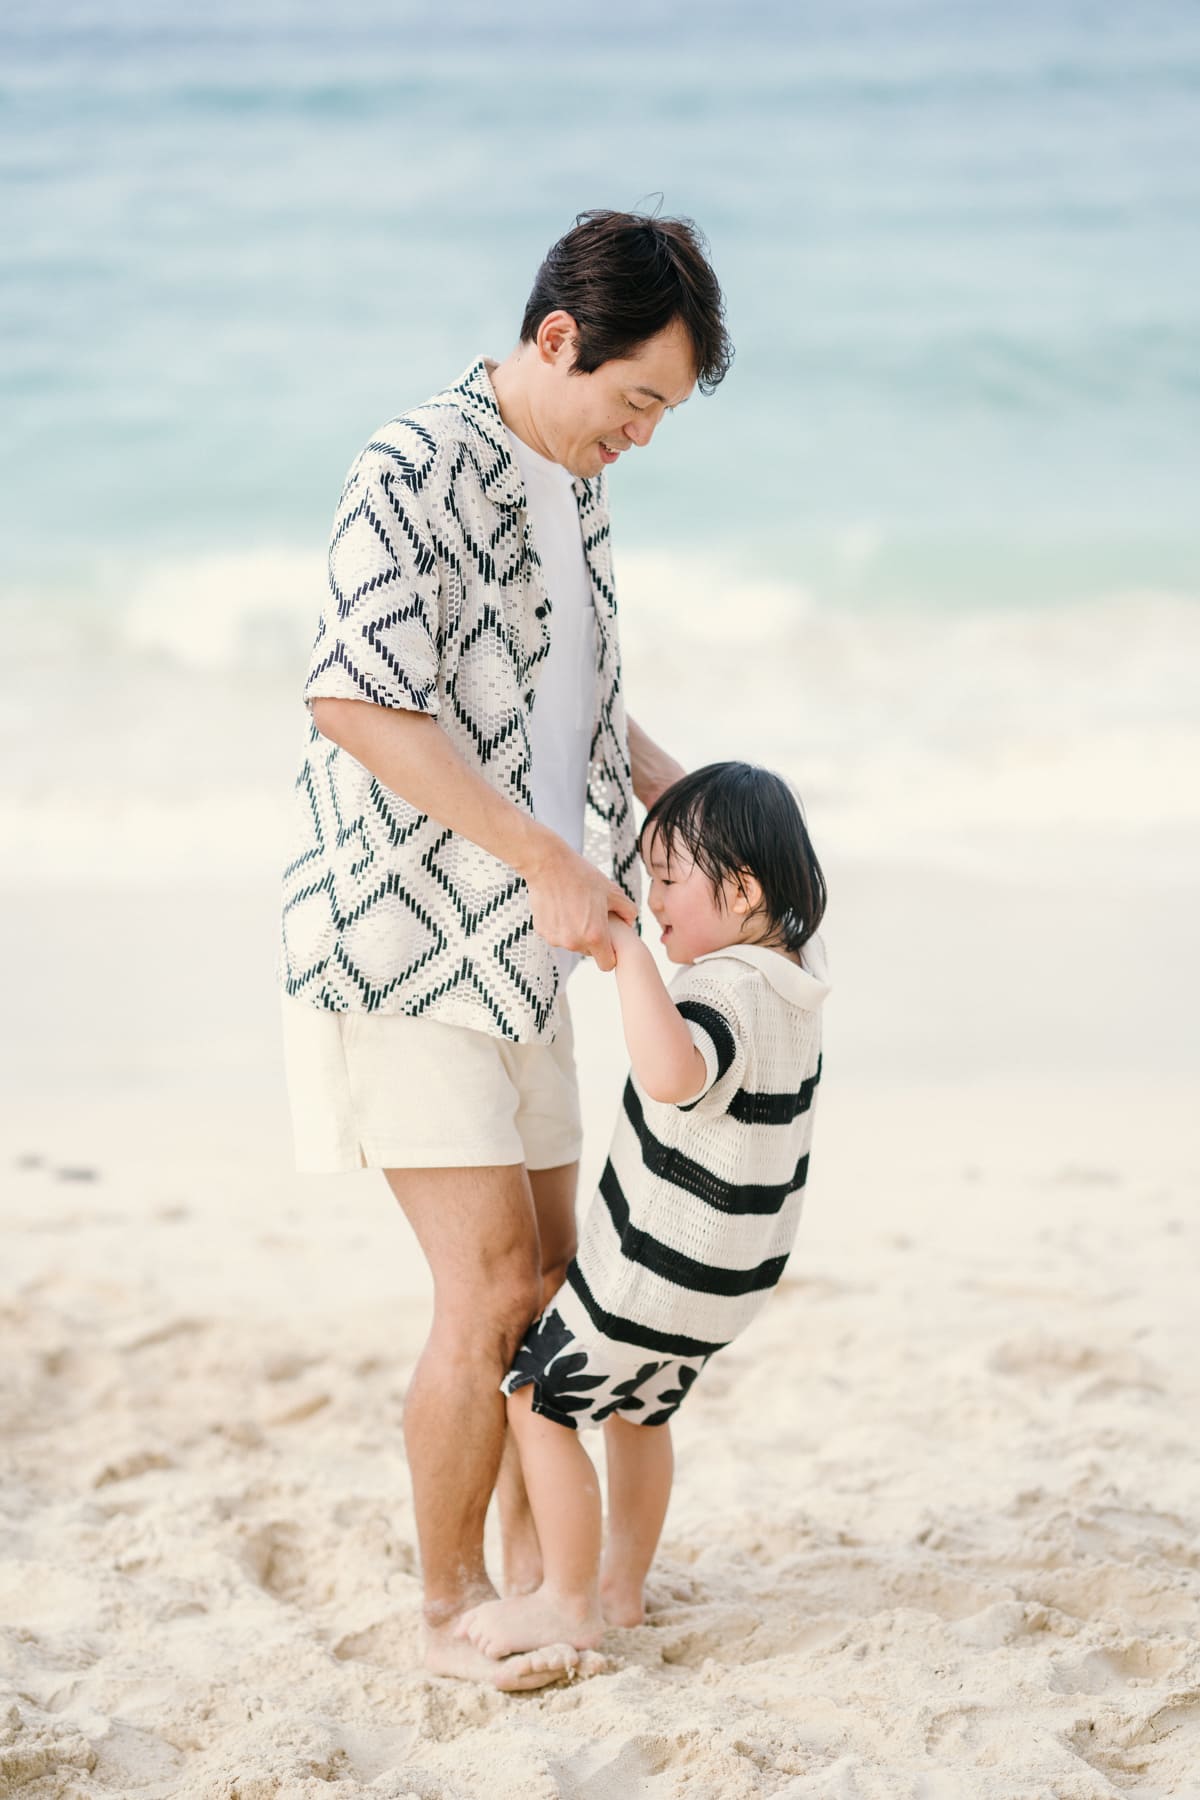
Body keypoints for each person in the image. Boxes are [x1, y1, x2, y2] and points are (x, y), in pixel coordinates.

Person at [278, 210, 733, 1688]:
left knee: (552, 1285)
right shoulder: (414, 463)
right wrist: (547, 857)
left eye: (662, 414)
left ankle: (545, 1586)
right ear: (556, 339)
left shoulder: (572, 483)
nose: (641, 437)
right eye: (636, 399)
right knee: (483, 1292)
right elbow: (356, 700)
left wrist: (692, 803)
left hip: (527, 951)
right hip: (403, 943)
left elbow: (573, 703)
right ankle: (442, 1610)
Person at [458, 762, 830, 1662]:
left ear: (744, 892)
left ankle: (570, 1601)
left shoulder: (722, 987)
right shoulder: (798, 982)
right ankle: (622, 1586)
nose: (652, 899)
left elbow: (674, 1075)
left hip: (655, 1269)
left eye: (667, 879)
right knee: (641, 1410)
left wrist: (628, 957)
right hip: (730, 1281)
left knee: (539, 1399)